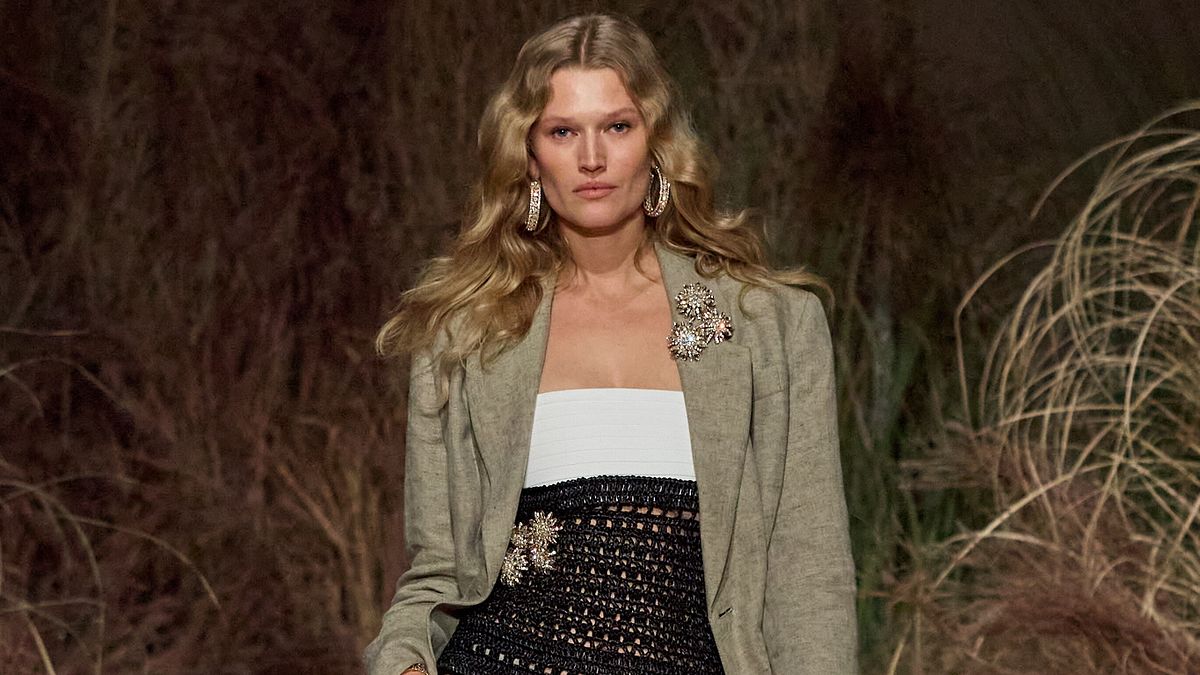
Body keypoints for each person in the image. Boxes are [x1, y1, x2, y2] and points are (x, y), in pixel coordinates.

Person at [364, 12, 857, 675]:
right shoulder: (465, 333)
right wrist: (404, 664)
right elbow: (435, 575)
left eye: (617, 126)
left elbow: (809, 573)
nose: (591, 158)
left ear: (656, 140)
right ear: (530, 154)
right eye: (563, 131)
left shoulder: (770, 325)